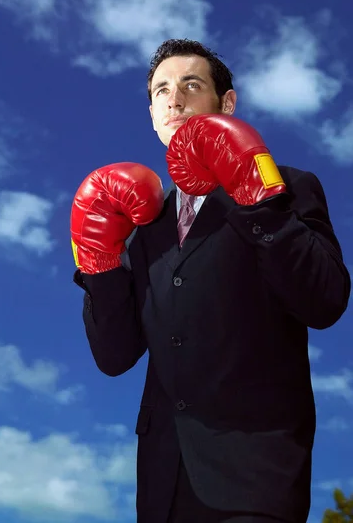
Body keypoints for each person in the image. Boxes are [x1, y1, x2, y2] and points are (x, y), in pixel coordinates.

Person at [71, 39, 351, 523]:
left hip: (255, 475)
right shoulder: (142, 226)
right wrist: (100, 261)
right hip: (162, 483)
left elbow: (324, 300)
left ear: (227, 103)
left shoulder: (288, 184)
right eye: (161, 91)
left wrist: (258, 199)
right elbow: (115, 356)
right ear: (152, 113)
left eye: (190, 85)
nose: (173, 99)